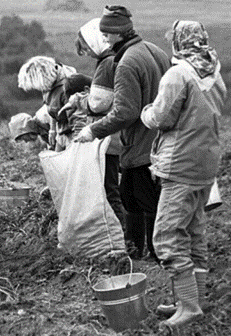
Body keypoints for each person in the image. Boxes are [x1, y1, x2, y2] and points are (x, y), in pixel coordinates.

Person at [141, 21, 227, 330]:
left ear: (178, 42)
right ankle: (191, 299)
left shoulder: (177, 74)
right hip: (205, 163)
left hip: (180, 164)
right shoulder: (214, 72)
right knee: (193, 231)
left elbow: (161, 117)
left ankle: (189, 307)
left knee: (166, 236)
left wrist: (145, 111)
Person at [74, 5, 171, 260]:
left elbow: (125, 112)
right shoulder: (154, 50)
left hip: (142, 142)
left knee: (144, 200)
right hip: (161, 138)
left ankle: (153, 253)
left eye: (107, 33)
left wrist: (92, 130)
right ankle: (136, 251)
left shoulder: (126, 63)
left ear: (120, 33)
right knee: (129, 196)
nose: (104, 38)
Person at [59, 18, 125, 226]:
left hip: (108, 138)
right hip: (114, 135)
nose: (86, 53)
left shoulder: (107, 63)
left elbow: (98, 103)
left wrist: (77, 100)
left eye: (86, 48)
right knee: (114, 187)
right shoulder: (115, 59)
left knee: (109, 189)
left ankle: (122, 236)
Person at [18, 56, 78, 152]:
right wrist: (53, 130)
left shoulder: (67, 86)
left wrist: (76, 142)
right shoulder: (47, 87)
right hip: (62, 131)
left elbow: (76, 117)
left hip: (73, 132)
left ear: (41, 77)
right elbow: (52, 110)